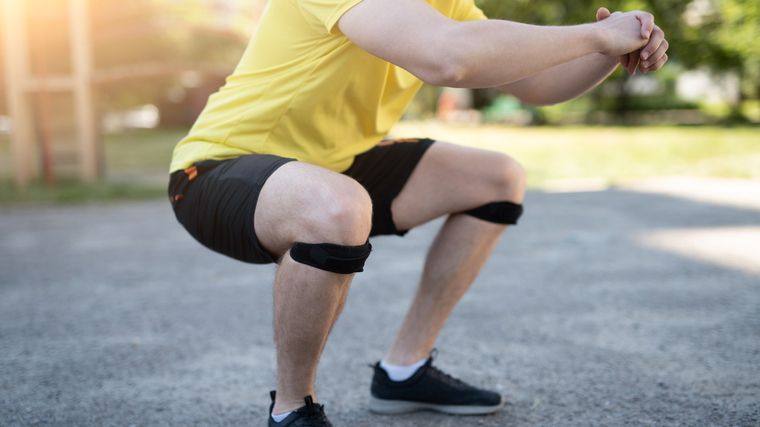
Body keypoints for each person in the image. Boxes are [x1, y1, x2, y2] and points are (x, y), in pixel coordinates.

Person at [168, 0, 669, 425]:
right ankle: (292, 408)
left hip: (335, 164)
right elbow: (449, 59)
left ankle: (404, 372)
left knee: (497, 178)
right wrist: (599, 34)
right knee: (336, 204)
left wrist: (616, 46)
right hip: (216, 170)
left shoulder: (447, 4)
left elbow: (539, 82)